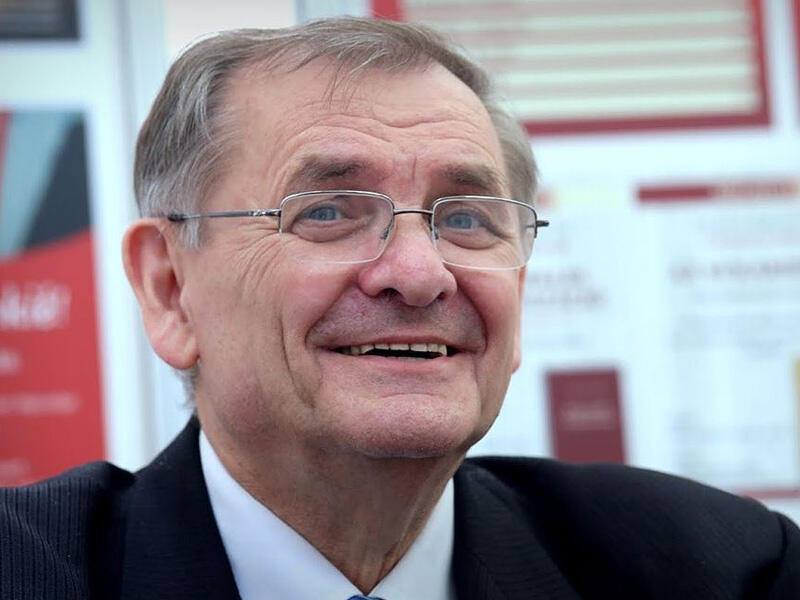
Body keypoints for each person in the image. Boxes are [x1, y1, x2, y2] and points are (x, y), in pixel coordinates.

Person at [1, 17, 798, 600]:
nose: (421, 275)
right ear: (170, 289)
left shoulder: (723, 570)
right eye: (327, 212)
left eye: (466, 219)